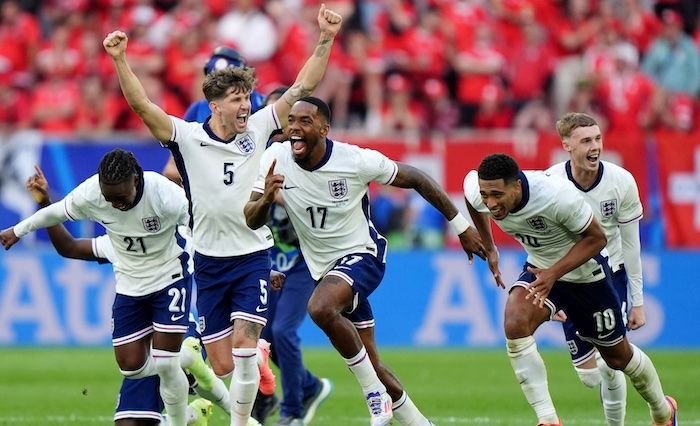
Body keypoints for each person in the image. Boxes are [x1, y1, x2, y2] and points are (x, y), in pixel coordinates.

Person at [103, 5, 343, 425]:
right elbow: (142, 106)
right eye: (236, 100)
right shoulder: (187, 137)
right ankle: (257, 361)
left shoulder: (260, 128)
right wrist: (121, 59)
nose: (246, 106)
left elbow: (304, 84)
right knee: (222, 363)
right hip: (208, 263)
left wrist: (325, 38)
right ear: (214, 106)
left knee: (244, 354)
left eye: (247, 98)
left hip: (252, 256)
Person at [244, 97, 487, 426]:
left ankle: (373, 396)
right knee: (371, 362)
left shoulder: (354, 160)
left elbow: (416, 177)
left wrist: (460, 226)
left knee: (320, 308)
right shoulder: (275, 158)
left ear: (324, 129)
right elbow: (251, 218)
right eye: (291, 121)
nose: (295, 129)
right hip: (325, 271)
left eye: (304, 121)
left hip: (364, 256)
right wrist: (266, 198)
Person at [463, 153, 677, 426]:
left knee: (617, 358)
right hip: (541, 270)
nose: (491, 203)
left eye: (497, 195)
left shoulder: (555, 196)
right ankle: (548, 419)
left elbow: (597, 239)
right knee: (515, 322)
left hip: (587, 276)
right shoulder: (481, 192)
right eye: (486, 195)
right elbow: (471, 199)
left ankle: (663, 410)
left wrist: (554, 274)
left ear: (516, 186)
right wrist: (489, 245)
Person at [0, 149, 193, 426]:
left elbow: (206, 230)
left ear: (136, 181)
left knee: (168, 362)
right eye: (109, 200)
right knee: (134, 374)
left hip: (173, 301)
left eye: (121, 198)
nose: (116, 206)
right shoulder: (118, 243)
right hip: (135, 311)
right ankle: (190, 386)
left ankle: (195, 383)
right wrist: (37, 209)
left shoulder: (170, 208)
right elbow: (68, 245)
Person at [546, 112, 646, 425]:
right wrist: (551, 294)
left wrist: (638, 300)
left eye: (598, 139)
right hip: (569, 279)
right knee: (589, 377)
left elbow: (631, 245)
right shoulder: (550, 183)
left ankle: (632, 416)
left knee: (612, 362)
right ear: (566, 145)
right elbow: (541, 242)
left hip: (610, 276)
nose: (595, 147)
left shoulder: (621, 181)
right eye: (586, 141)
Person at [256, 88, 332, 426]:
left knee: (284, 331)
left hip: (303, 262)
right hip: (269, 261)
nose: (285, 128)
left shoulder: (314, 160)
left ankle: (292, 411)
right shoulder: (258, 157)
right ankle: (309, 386)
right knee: (266, 337)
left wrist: (281, 196)